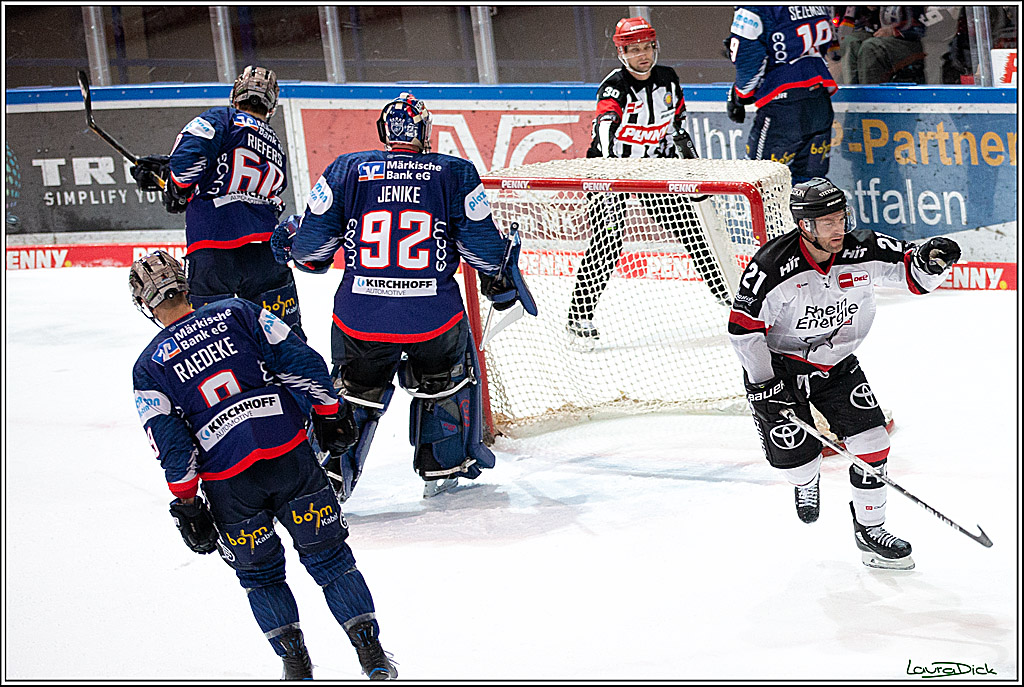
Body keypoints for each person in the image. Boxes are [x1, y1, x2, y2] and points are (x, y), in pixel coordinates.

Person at [129, 250, 396, 680]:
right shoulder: (238, 311)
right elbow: (301, 360)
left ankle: (295, 665)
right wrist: (329, 412)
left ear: (146, 305)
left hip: (231, 487)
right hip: (290, 458)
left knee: (261, 576)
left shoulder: (149, 367)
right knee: (330, 558)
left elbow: (172, 447)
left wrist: (187, 503)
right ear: (185, 284)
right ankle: (372, 654)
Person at [271, 92, 536, 500]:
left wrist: (293, 245)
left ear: (383, 132)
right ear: (426, 133)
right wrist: (500, 280)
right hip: (432, 317)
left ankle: (328, 485)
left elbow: (310, 255)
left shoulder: (346, 168)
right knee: (447, 383)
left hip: (359, 317)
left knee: (352, 393)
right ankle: (442, 470)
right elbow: (483, 251)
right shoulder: (454, 172)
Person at [727, 178, 961, 570]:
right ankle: (805, 482)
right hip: (780, 368)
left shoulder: (862, 248)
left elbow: (913, 274)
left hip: (836, 364)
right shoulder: (772, 266)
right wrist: (764, 385)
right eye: (829, 222)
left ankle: (870, 531)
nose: (840, 229)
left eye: (842, 218)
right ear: (805, 226)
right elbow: (743, 331)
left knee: (872, 442)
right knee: (799, 462)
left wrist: (933, 262)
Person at [567, 16, 730, 340]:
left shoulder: (668, 79)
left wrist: (686, 167)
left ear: (655, 47)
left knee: (693, 232)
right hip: (609, 173)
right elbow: (604, 125)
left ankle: (730, 298)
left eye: (646, 47)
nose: (642, 55)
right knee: (607, 243)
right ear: (621, 53)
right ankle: (579, 317)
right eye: (633, 49)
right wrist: (612, 168)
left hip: (653, 169)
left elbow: (677, 128)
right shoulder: (615, 85)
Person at [130, 66, 304, 338]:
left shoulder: (222, 117)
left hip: (215, 247)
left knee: (211, 342)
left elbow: (189, 161)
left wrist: (175, 184)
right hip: (266, 253)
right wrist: (169, 170)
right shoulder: (275, 144)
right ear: (271, 107)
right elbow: (251, 181)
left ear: (236, 96)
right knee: (283, 339)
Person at [726, 7, 838, 183]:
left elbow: (748, 57)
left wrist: (740, 95)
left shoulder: (753, 8)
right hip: (819, 99)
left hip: (783, 107)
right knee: (813, 185)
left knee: (761, 182)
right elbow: (828, 44)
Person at [839, 6, 926, 85]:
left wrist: (895, 30)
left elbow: (921, 23)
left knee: (871, 47)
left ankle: (871, 98)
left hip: (909, 40)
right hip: (879, 34)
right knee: (850, 42)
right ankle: (852, 94)